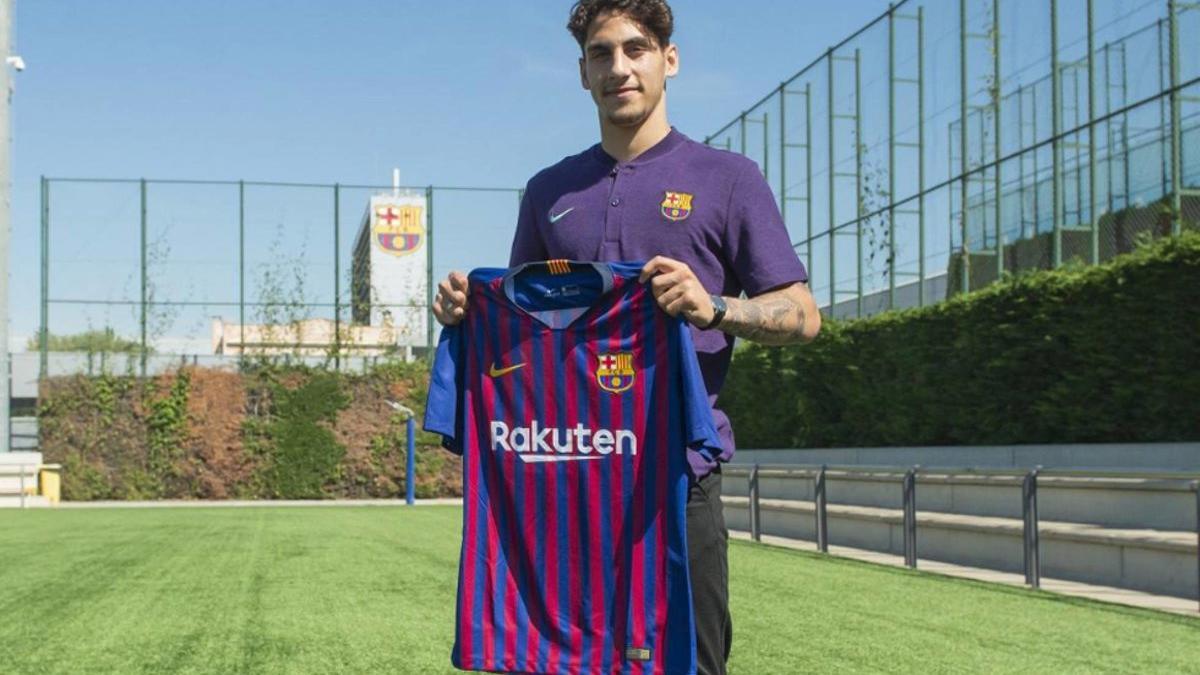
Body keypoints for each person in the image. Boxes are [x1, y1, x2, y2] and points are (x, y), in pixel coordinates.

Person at [432, 1, 821, 672]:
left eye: (636, 49)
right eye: (601, 54)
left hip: (677, 477)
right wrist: (467, 310)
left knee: (688, 663)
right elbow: (527, 330)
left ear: (669, 60)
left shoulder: (728, 179)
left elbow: (803, 314)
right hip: (565, 477)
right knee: (561, 660)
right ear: (582, 73)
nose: (619, 67)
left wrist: (714, 307)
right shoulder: (549, 190)